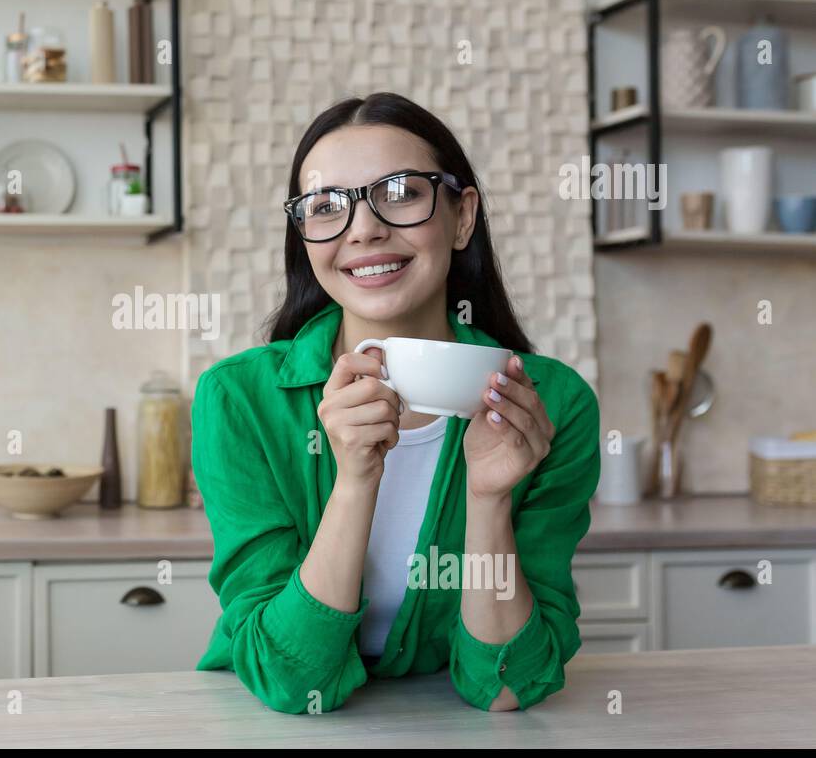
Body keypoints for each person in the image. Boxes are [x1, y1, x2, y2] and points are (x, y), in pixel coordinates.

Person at [192, 92, 601, 714]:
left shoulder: (551, 404)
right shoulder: (239, 400)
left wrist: (489, 501)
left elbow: (507, 687)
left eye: (402, 192)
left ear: (462, 217)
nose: (363, 229)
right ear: (304, 234)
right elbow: (288, 680)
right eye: (327, 207)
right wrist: (355, 481)